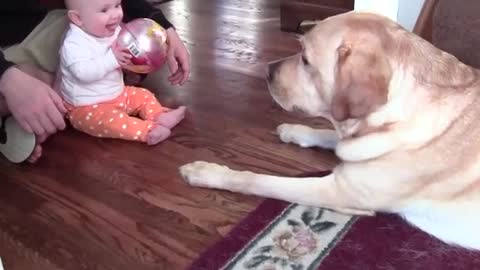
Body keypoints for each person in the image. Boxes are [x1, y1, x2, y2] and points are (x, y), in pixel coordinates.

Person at [0, 0, 190, 163]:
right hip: (87, 106)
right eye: (106, 10)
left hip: (114, 92)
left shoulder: (105, 27)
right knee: (112, 122)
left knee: (144, 96)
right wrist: (7, 77)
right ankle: (147, 130)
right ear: (77, 19)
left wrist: (165, 30)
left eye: (117, 5)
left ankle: (159, 114)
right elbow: (82, 72)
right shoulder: (73, 43)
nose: (116, 14)